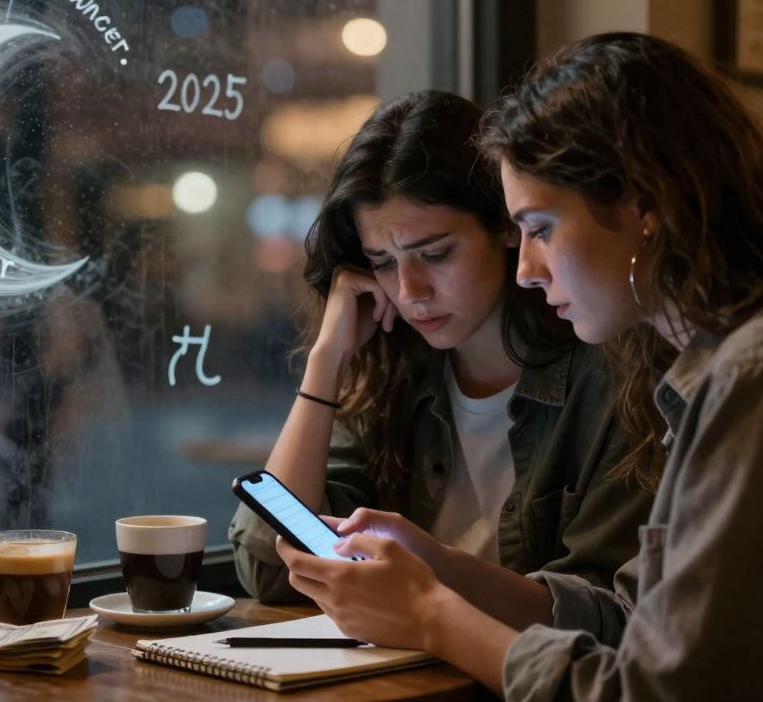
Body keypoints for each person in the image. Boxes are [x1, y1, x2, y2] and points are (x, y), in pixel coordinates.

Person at [275, 33, 763, 700]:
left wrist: (430, 615)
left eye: (541, 228)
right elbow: (631, 622)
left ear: (645, 207)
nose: (527, 270)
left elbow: (659, 692)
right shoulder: (741, 360)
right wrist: (439, 568)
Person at [230, 90, 655, 603]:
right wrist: (326, 362)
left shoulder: (614, 377)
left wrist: (430, 586)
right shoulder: (393, 375)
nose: (410, 291)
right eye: (383, 263)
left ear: (507, 227)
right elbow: (269, 570)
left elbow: (603, 611)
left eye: (435, 254)